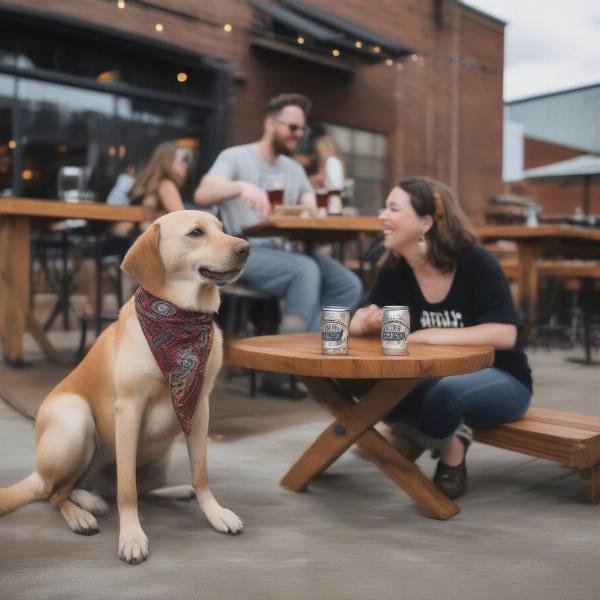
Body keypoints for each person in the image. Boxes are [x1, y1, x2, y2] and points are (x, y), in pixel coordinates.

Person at [349, 176, 532, 499]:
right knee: (381, 389)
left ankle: (447, 450)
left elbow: (505, 334)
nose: (382, 216)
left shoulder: (476, 263)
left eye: (393, 208)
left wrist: (430, 336)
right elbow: (362, 317)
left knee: (444, 394)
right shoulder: (395, 268)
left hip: (503, 378)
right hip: (432, 378)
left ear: (425, 222)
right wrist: (362, 322)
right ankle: (448, 435)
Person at [194, 93, 363, 397]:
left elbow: (309, 202)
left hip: (288, 249)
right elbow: (203, 193)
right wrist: (241, 186)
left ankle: (316, 356)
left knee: (348, 284)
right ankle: (283, 369)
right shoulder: (236, 157)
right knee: (305, 271)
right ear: (270, 123)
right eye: (292, 128)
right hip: (243, 251)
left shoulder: (293, 169)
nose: (298, 135)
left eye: (302, 130)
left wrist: (316, 203)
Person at [130, 142, 189, 226]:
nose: (185, 165)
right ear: (168, 160)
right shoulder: (165, 184)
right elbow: (183, 219)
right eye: (182, 160)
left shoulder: (150, 182)